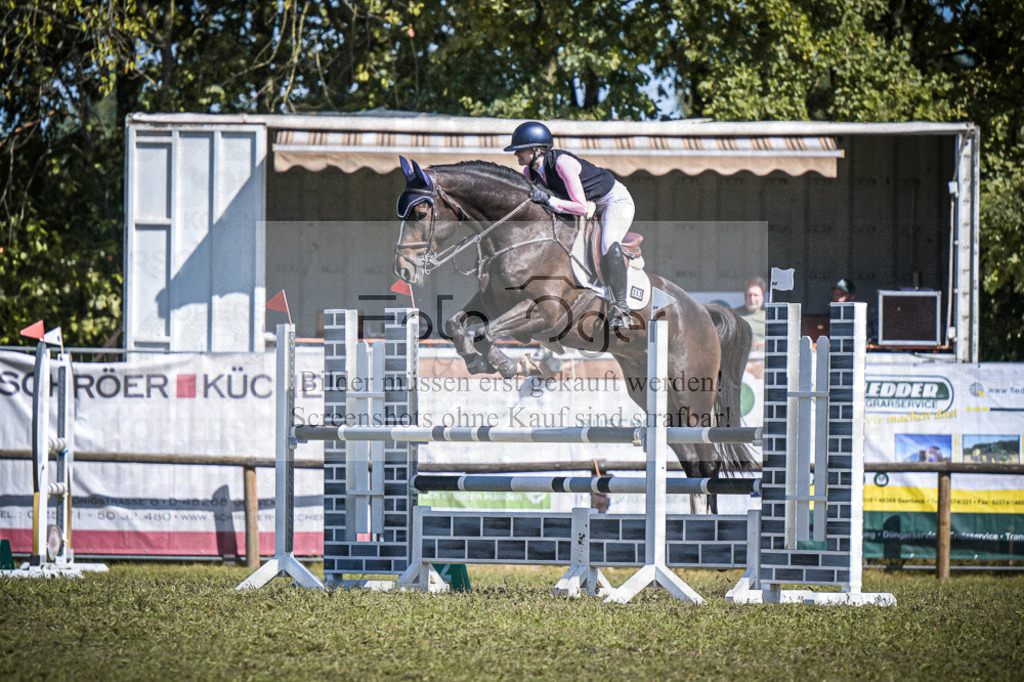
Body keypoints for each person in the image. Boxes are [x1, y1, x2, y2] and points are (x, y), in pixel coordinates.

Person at [504, 121, 637, 329]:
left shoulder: (562, 163)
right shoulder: (529, 172)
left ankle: (622, 308)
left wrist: (548, 200)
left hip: (613, 201)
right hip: (588, 205)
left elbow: (581, 207)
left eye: (520, 150)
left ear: (537, 149)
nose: (516, 155)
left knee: (608, 242)